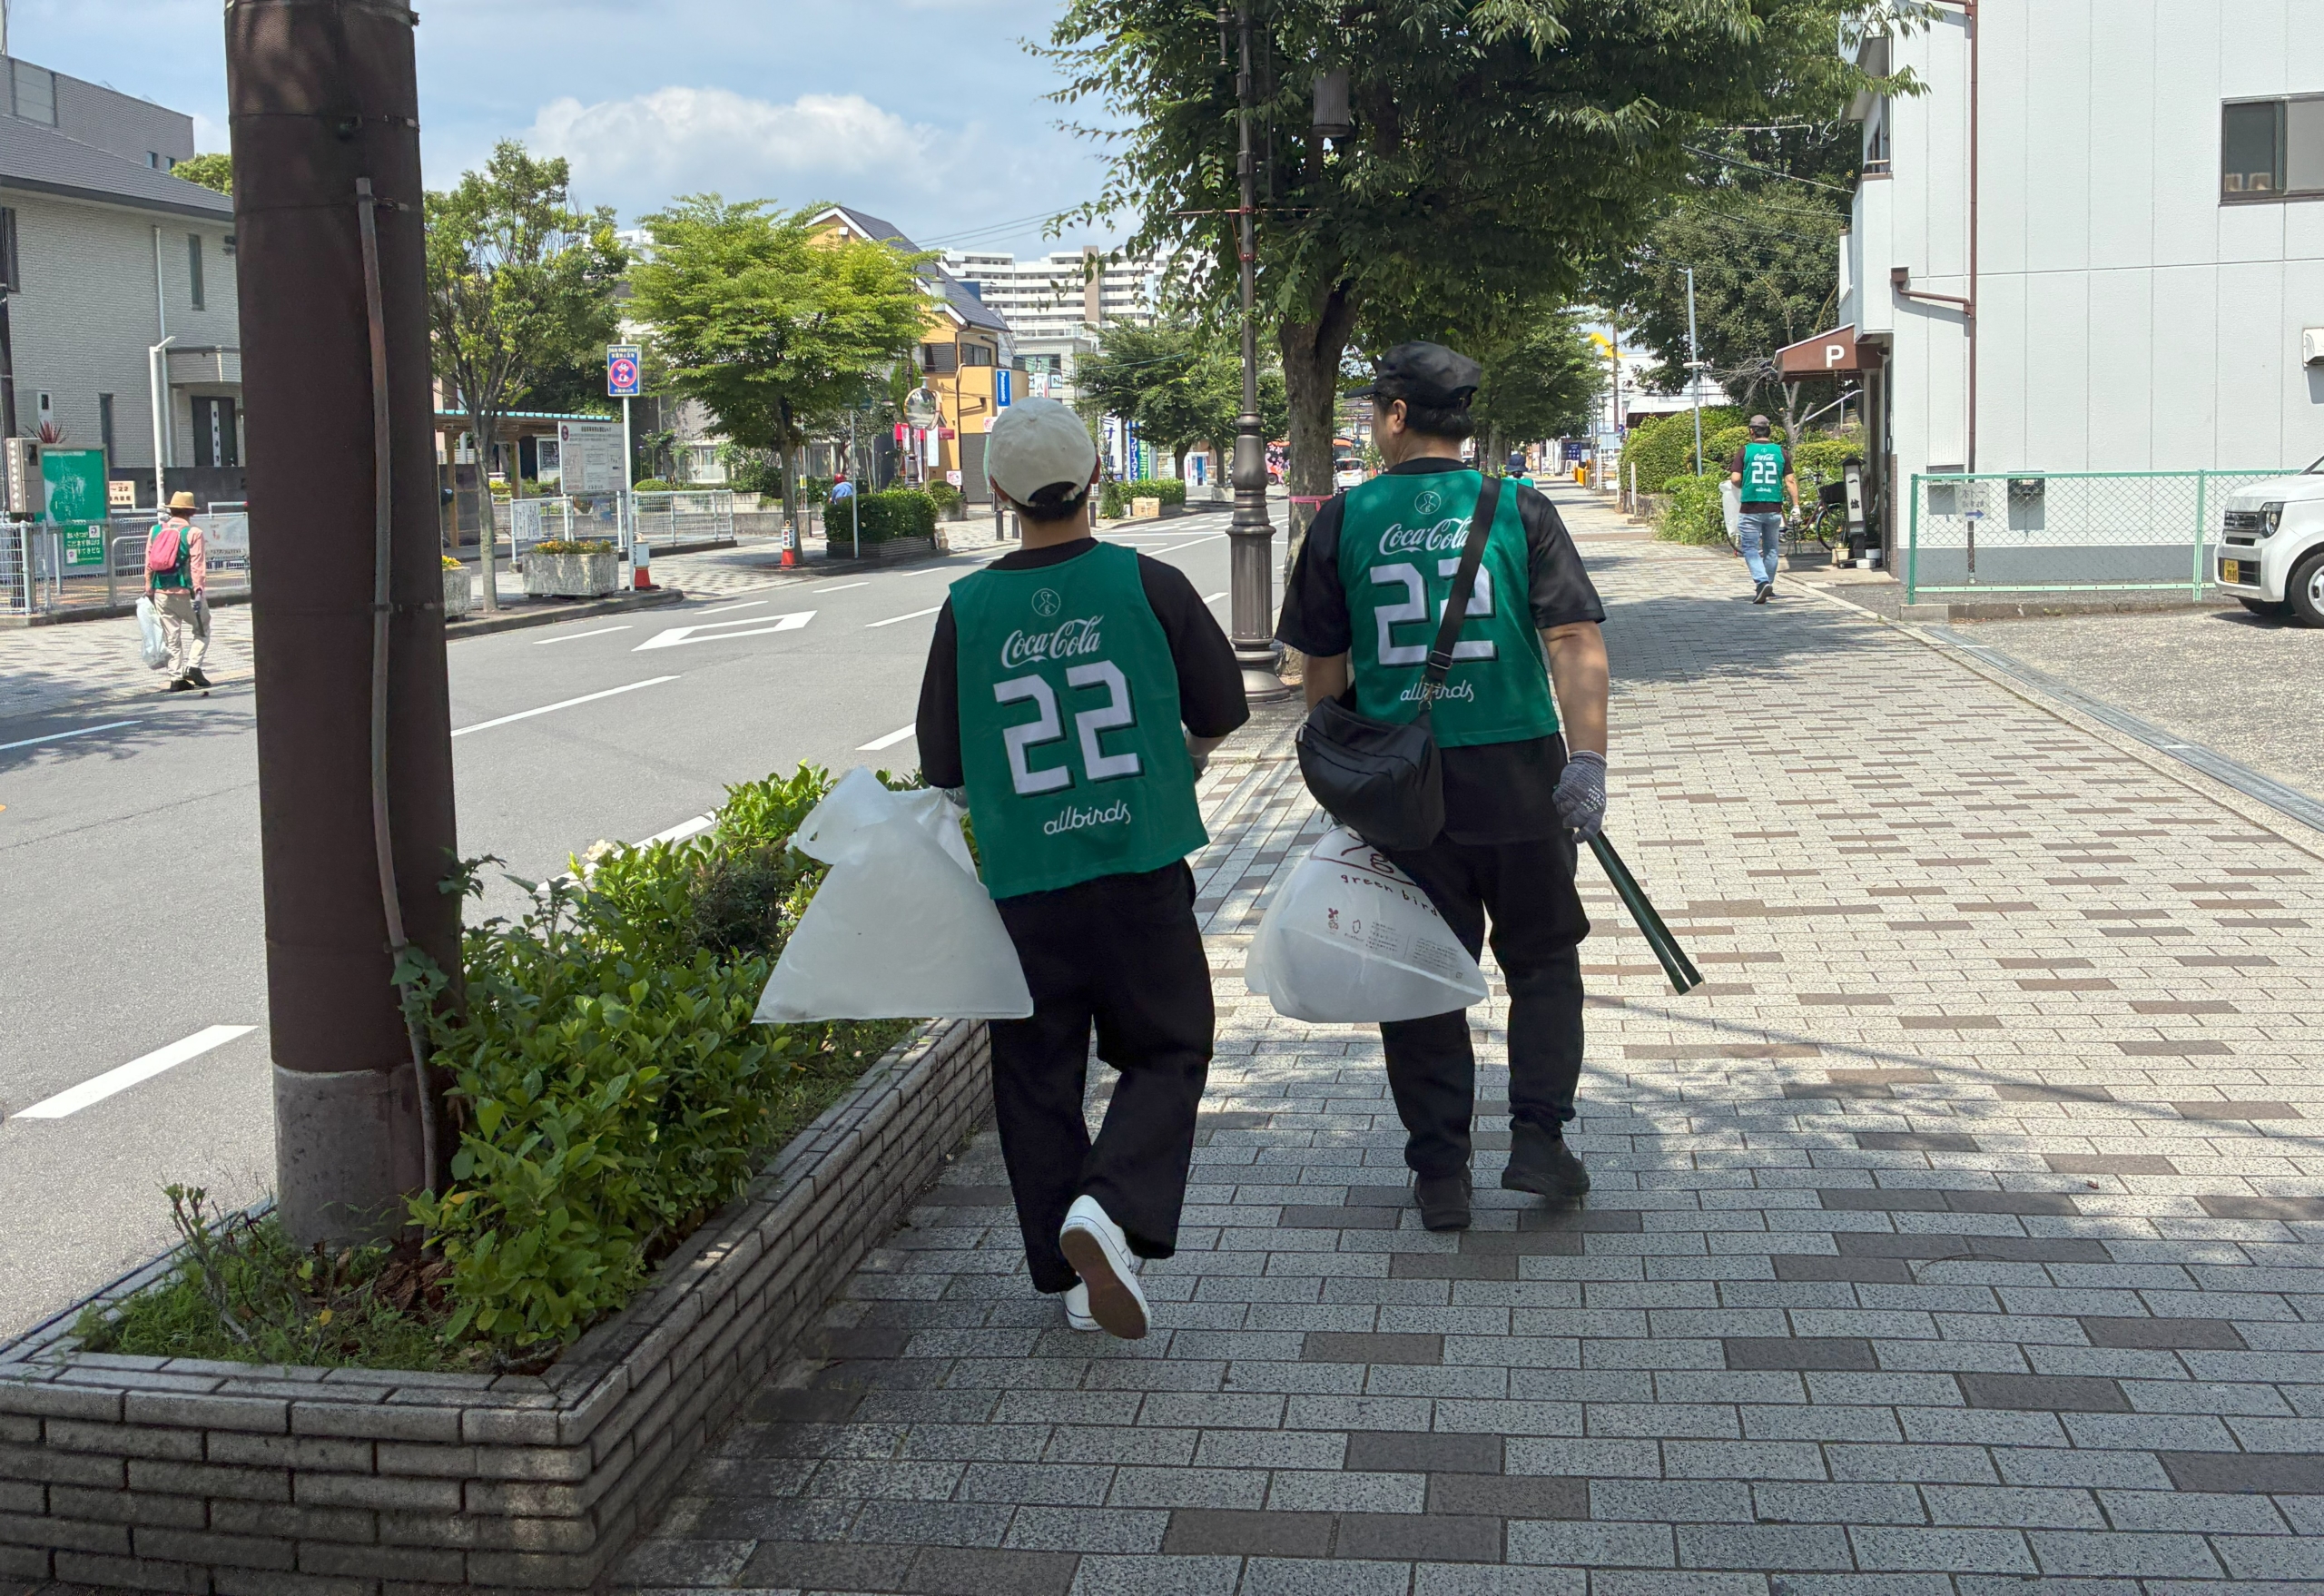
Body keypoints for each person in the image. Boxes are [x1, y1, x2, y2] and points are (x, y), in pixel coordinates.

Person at [915, 397, 1249, 1338]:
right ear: (1096, 478)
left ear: (997, 492)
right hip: (1138, 867)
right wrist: (1183, 756)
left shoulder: (967, 608)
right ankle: (1109, 1204)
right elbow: (1223, 705)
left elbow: (942, 763)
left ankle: (1069, 1277)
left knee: (1036, 1078)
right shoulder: (1148, 583)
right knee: (1169, 1048)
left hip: (1026, 886)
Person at [1277, 342, 1611, 1232]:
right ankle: (1538, 1139)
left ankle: (1440, 1173)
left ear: (1395, 415)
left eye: (1372, 410)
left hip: (1401, 786)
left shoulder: (1343, 519)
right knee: (1542, 960)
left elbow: (1321, 666)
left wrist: (1340, 774)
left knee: (1418, 971)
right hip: (1520, 774)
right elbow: (1573, 638)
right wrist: (1587, 761)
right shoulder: (1517, 507)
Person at [1728, 414, 1798, 604]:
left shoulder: (1745, 451)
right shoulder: (1781, 452)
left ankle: (1762, 582)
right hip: (1774, 507)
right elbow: (1790, 480)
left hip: (1751, 506)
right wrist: (1796, 506)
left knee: (1750, 547)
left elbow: (1735, 479)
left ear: (1751, 431)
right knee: (1771, 549)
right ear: (1769, 431)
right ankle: (1768, 585)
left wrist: (1744, 485)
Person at [145, 491, 210, 692]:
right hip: (186, 591)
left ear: (171, 510)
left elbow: (149, 562)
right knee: (202, 628)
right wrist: (199, 591)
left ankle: (175, 678)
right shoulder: (193, 533)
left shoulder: (155, 530)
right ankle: (193, 666)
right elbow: (197, 565)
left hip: (160, 591)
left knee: (171, 636)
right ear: (191, 512)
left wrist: (148, 587)